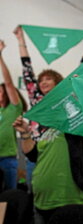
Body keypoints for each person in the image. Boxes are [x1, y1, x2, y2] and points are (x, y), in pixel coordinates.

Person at [13, 26, 83, 223]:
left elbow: (81, 74)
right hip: (41, 184)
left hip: (77, 190)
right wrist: (20, 40)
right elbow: (27, 71)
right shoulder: (37, 104)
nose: (43, 83)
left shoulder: (71, 103)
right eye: (40, 80)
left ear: (58, 83)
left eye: (48, 79)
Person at [0, 40, 27, 190]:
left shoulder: (13, 109)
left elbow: (9, 83)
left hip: (7, 160)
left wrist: (0, 57)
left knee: (9, 197)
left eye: (1, 92)